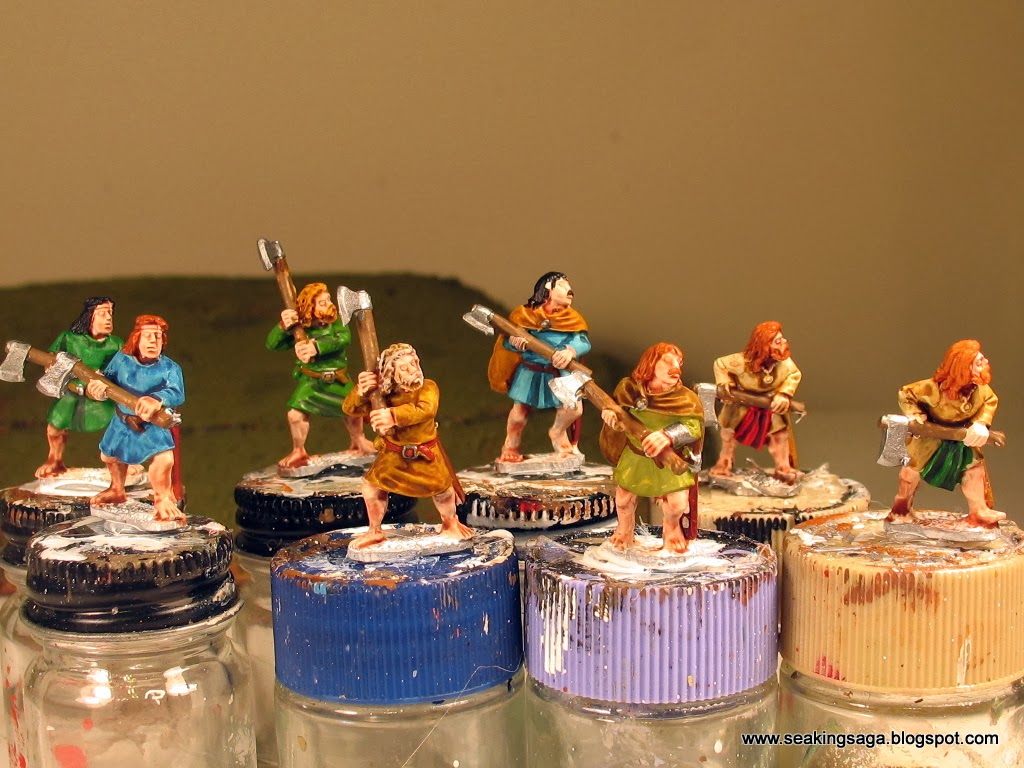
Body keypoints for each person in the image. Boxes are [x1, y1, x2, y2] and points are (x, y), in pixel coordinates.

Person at [343, 343, 473, 549]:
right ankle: (375, 530)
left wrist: (393, 415)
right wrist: (361, 391)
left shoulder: (428, 387)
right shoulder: (383, 395)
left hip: (425, 454)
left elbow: (425, 410)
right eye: (404, 368)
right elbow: (350, 409)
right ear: (392, 373)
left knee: (443, 491)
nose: (412, 369)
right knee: (371, 487)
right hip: (393, 455)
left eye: (414, 363)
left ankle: (450, 523)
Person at [600, 343, 704, 553]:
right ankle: (624, 530)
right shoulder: (628, 389)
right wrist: (611, 417)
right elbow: (618, 413)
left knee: (677, 504)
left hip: (670, 458)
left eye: (679, 362)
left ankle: (672, 529)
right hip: (636, 455)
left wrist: (668, 435)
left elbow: (694, 427)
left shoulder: (686, 399)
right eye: (667, 361)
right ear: (651, 363)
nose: (675, 368)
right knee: (623, 500)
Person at [889, 339, 1003, 528]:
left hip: (963, 439)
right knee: (912, 470)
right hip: (929, 438)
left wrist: (981, 423)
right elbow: (905, 393)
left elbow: (989, 403)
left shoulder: (981, 391)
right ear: (963, 367)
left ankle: (979, 512)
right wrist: (914, 414)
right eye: (979, 362)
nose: (986, 363)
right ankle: (900, 508)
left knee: (974, 471)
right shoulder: (932, 388)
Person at [86, 315, 184, 522]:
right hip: (122, 421)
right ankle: (116, 489)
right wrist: (96, 390)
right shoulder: (121, 360)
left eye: (158, 337)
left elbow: (177, 393)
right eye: (148, 336)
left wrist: (157, 399)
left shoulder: (170, 368)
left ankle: (162, 499)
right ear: (137, 338)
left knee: (164, 459)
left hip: (152, 425)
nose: (153, 342)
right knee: (110, 456)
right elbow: (107, 380)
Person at [266, 282, 374, 468]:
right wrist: (283, 326)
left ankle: (359, 441)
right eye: (322, 303)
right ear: (310, 306)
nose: (330, 305)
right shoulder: (300, 327)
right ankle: (298, 451)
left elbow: (343, 339)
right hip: (312, 382)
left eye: (329, 300)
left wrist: (316, 346)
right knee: (295, 415)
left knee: (354, 410)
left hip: (337, 379)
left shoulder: (336, 322)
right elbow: (273, 344)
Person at [487, 272, 591, 462]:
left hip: (559, 372)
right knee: (519, 415)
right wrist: (515, 343)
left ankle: (558, 433)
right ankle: (510, 445)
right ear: (549, 289)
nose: (570, 291)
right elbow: (507, 341)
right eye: (563, 285)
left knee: (573, 410)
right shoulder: (525, 315)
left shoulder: (573, 318)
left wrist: (570, 351)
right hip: (531, 371)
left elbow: (582, 341)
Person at [36, 297, 122, 477]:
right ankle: (54, 460)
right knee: (56, 425)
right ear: (90, 316)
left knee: (120, 425)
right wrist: (51, 366)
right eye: (102, 313)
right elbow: (52, 358)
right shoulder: (69, 338)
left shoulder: (116, 344)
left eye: (110, 313)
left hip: (101, 392)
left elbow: (124, 368)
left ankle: (122, 465)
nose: (108, 318)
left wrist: (104, 378)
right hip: (72, 390)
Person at [709, 321, 801, 483]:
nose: (784, 343)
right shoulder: (741, 361)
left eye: (782, 339)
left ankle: (783, 468)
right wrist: (726, 384)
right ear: (764, 345)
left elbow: (794, 374)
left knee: (779, 435)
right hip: (741, 404)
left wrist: (784, 394)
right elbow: (720, 364)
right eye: (777, 341)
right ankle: (724, 463)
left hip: (770, 405)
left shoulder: (784, 363)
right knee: (729, 434)